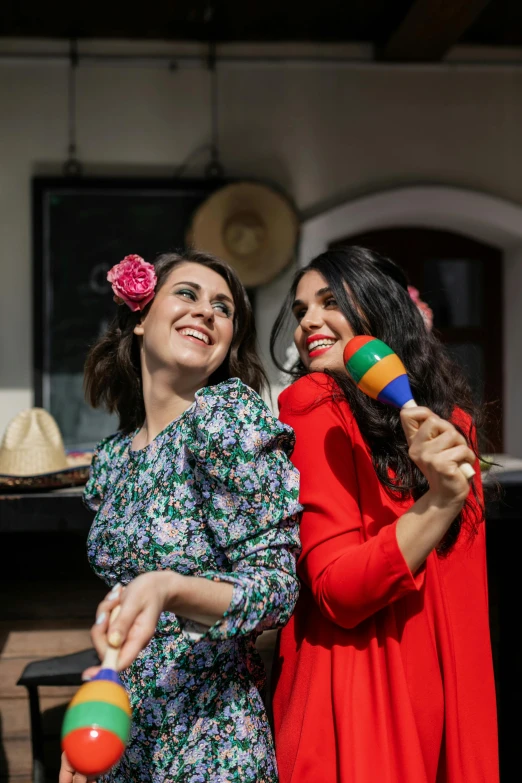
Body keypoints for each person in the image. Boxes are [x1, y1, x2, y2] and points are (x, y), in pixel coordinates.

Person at [59, 250, 301, 783]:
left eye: (224, 308)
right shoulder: (115, 458)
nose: (207, 312)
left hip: (210, 740)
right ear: (141, 318)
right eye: (187, 294)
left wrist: (170, 587)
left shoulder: (225, 423)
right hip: (126, 729)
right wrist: (91, 716)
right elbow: (127, 622)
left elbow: (277, 590)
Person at [269, 246, 499, 783]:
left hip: (403, 714)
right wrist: (440, 500)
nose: (309, 322)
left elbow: (463, 608)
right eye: (300, 310)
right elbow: (339, 590)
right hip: (374, 703)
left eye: (330, 302)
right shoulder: (315, 403)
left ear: (380, 312)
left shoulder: (449, 430)